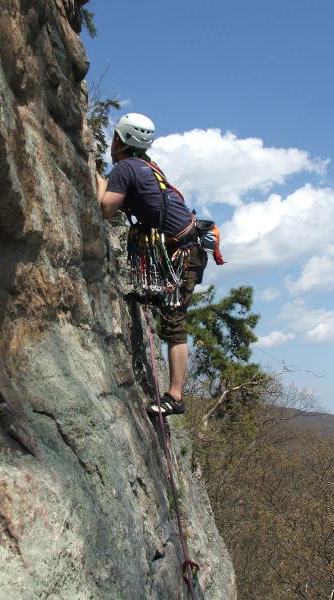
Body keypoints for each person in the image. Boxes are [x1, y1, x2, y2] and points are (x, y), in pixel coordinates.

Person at [96, 113, 207, 416]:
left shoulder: (125, 168)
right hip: (184, 249)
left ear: (119, 139)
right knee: (170, 314)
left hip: (182, 254)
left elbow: (105, 209)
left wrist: (96, 181)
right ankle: (154, 293)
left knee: (174, 324)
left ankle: (175, 396)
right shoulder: (146, 166)